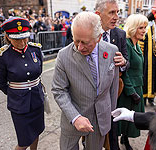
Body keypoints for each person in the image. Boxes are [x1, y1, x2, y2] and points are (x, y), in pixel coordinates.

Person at [112, 4, 156, 150]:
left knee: (128, 127)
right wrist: (133, 111)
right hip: (131, 88)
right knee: (121, 125)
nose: (144, 30)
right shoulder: (130, 43)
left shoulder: (140, 43)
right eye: (141, 28)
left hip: (139, 85)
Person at [51, 12, 119, 150]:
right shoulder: (64, 56)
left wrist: (110, 113)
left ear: (99, 37)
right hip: (72, 118)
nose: (79, 47)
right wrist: (75, 117)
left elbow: (114, 86)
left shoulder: (112, 51)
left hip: (100, 119)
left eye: (85, 43)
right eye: (76, 41)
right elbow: (59, 90)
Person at [0, 17, 45, 150]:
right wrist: (17, 93)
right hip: (19, 105)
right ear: (8, 37)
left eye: (25, 38)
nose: (22, 42)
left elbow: (38, 72)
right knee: (24, 141)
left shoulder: (35, 50)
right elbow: (1, 83)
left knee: (36, 132)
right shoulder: (2, 56)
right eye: (17, 39)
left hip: (37, 100)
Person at [95, 1, 129, 149]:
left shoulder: (120, 34)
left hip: (113, 93)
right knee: (92, 133)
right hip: (93, 94)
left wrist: (123, 63)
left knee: (112, 131)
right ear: (98, 14)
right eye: (111, 13)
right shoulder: (88, 31)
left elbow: (128, 63)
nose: (116, 17)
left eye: (117, 12)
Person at [115, 14, 148, 150]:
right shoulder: (127, 43)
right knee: (121, 120)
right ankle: (115, 142)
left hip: (137, 87)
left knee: (131, 119)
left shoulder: (137, 45)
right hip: (128, 90)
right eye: (141, 27)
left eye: (145, 27)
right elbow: (124, 72)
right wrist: (131, 91)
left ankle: (125, 138)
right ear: (133, 28)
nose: (144, 30)